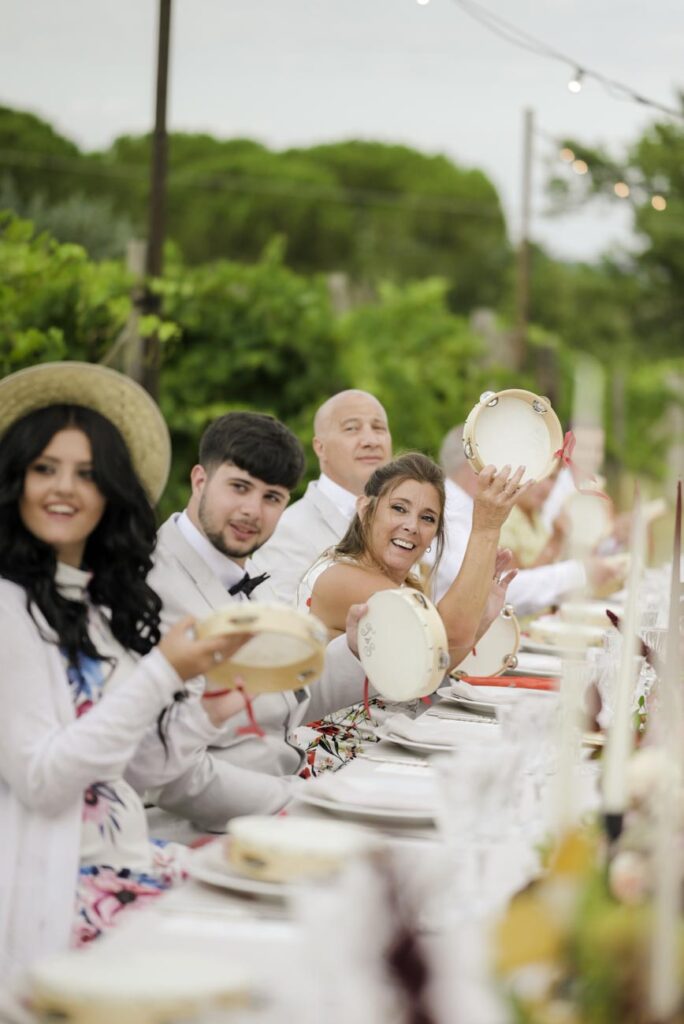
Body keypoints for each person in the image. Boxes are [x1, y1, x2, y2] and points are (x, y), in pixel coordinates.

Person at [0, 362, 246, 983]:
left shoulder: (96, 606)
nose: (65, 489)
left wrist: (208, 708)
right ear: (16, 481)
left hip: (127, 859)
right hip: (56, 889)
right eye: (45, 469)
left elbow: (137, 771)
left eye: (87, 473)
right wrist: (162, 673)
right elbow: (45, 779)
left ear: (111, 489)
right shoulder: (6, 607)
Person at [147, 411, 369, 834]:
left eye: (272, 497)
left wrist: (356, 651)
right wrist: (303, 802)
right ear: (199, 480)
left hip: (275, 808)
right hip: (192, 832)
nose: (253, 510)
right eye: (239, 487)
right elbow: (173, 777)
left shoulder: (243, 573)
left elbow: (278, 701)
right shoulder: (153, 586)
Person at [310, 452, 524, 668]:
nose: (412, 526)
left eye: (427, 518)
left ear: (435, 534)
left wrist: (483, 617)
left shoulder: (409, 587)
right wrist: (486, 527)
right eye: (399, 509)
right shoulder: (341, 578)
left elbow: (436, 663)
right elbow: (448, 636)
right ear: (366, 510)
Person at [433, 425, 625, 612]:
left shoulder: (464, 507)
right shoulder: (449, 512)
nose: (510, 474)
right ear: (477, 463)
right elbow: (503, 591)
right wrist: (580, 573)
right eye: (503, 460)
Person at [253, 390, 392, 606]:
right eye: (352, 428)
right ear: (320, 447)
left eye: (378, 428)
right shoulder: (286, 531)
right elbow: (283, 627)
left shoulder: (406, 523)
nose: (370, 440)